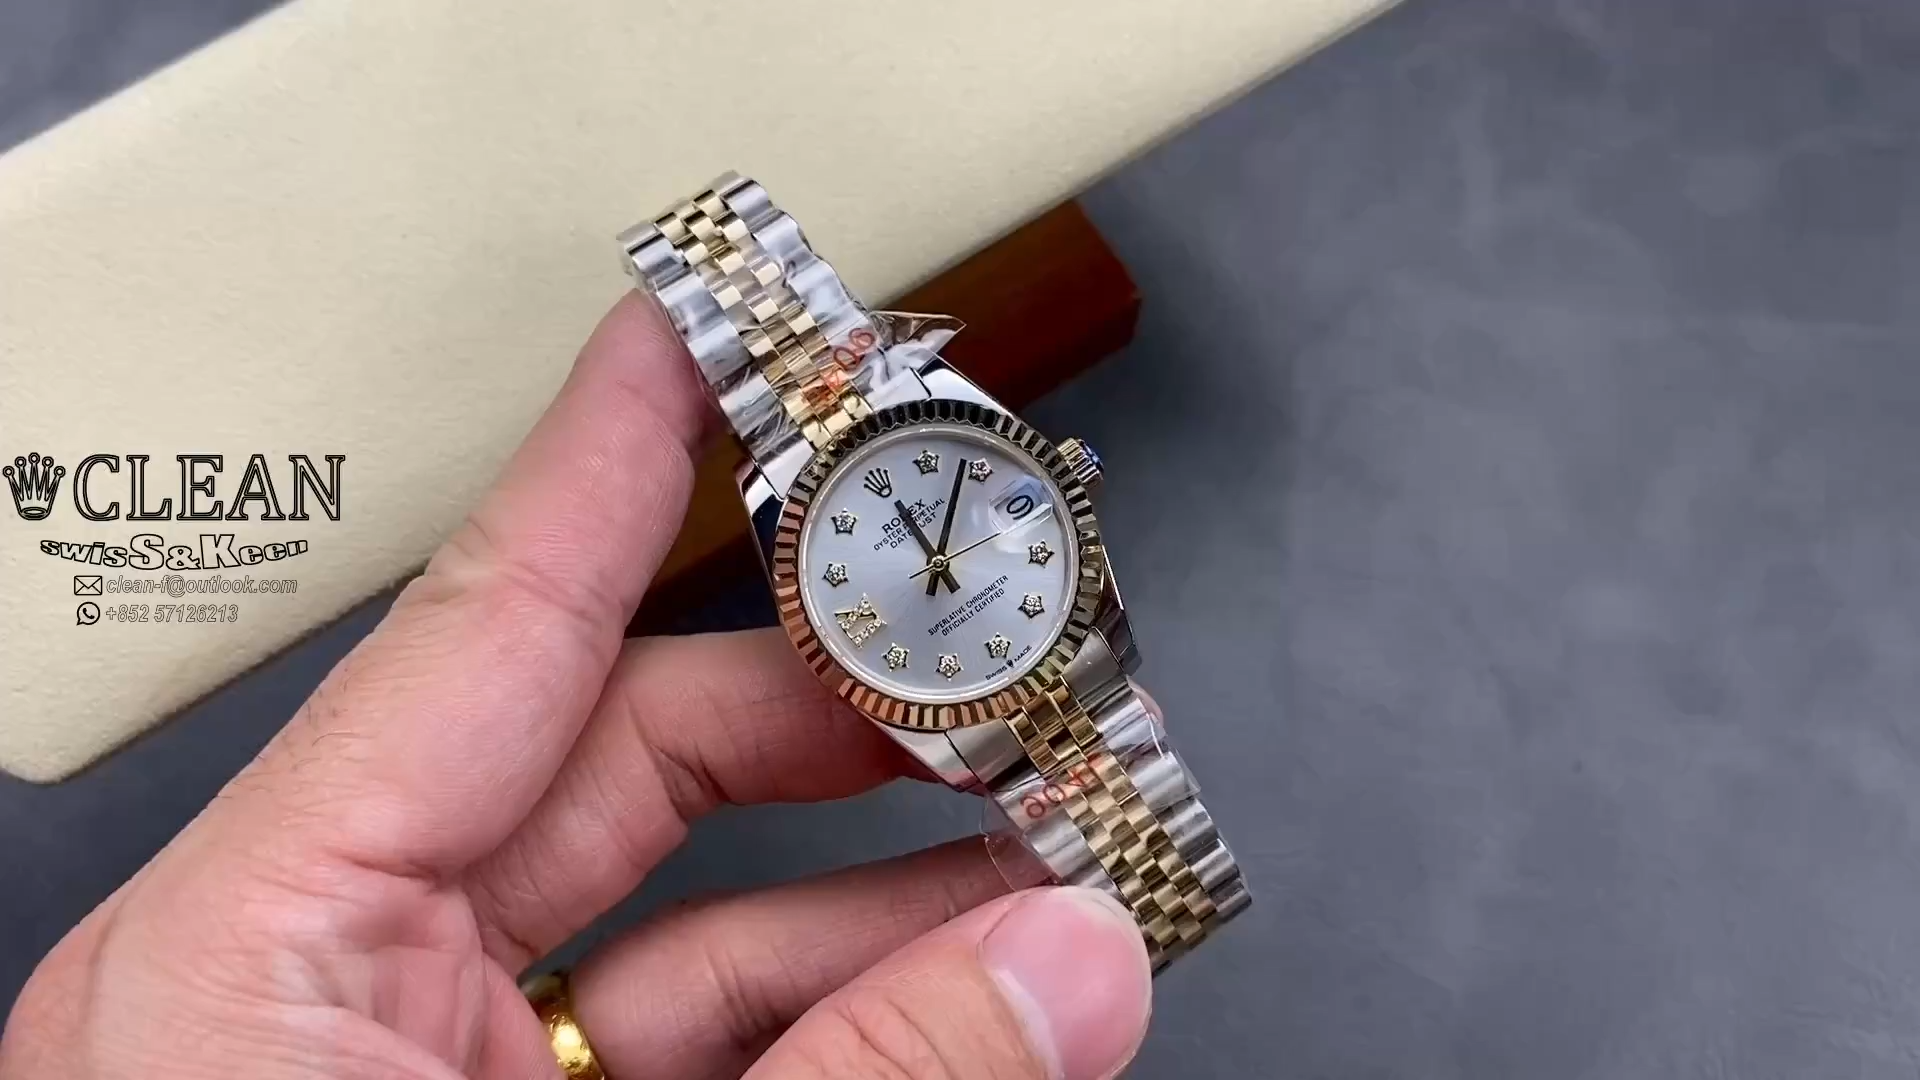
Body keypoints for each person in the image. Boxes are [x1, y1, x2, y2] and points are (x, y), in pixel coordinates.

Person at [0, 296, 1153, 1080]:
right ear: (806, 597)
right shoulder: (799, 526)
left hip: (1013, 639)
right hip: (951, 670)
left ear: (1060, 476)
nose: (935, 570)